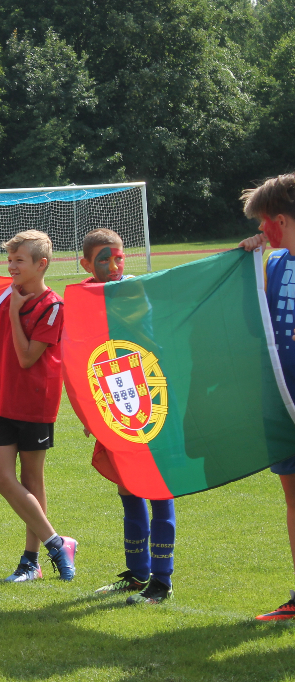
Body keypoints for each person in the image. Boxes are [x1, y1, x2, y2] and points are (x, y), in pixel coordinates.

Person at [79, 229, 176, 604]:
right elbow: (82, 359)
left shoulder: (137, 287)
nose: (115, 265)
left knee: (156, 485)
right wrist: (91, 411)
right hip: (114, 402)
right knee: (127, 485)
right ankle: (137, 573)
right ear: (86, 264)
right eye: (104, 259)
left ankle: (161, 581)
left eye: (119, 257)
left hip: (152, 396)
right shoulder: (84, 298)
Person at [0, 229, 77, 581]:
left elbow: (28, 357)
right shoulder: (6, 299)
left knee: (33, 480)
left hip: (35, 405)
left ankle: (30, 563)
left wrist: (17, 313)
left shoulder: (53, 306)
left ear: (41, 264)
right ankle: (57, 542)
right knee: (0, 476)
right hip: (2, 402)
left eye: (19, 260)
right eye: (10, 260)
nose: (11, 267)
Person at [239, 173, 295, 620]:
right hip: (280, 400)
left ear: (279, 219)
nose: (261, 233)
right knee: (293, 497)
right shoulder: (273, 264)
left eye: (263, 225)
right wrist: (244, 264)